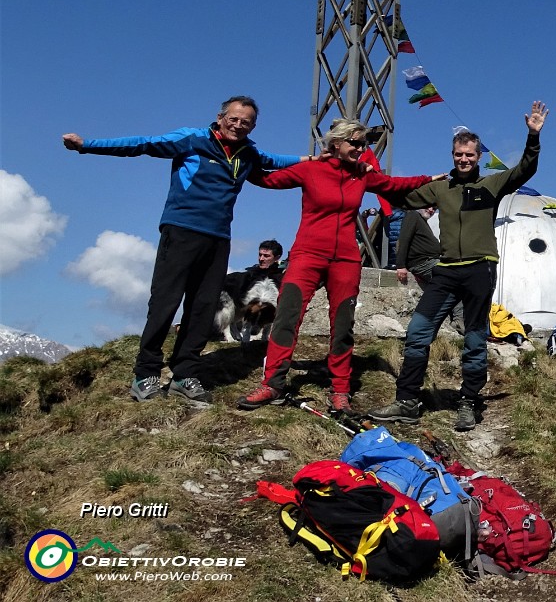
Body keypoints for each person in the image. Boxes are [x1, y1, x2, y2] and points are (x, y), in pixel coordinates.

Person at [61, 96, 307, 405]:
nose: (238, 125)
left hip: (219, 238)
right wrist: (88, 144)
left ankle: (184, 375)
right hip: (181, 231)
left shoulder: (248, 152)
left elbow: (275, 161)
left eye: (246, 122)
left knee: (203, 308)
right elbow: (143, 144)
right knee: (165, 302)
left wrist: (313, 159)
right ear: (220, 117)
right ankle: (145, 374)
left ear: (253, 126)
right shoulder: (192, 139)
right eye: (233, 118)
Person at [237, 118, 446, 413]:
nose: (362, 149)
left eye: (364, 144)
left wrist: (429, 179)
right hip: (307, 254)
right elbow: (266, 179)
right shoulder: (311, 170)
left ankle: (340, 390)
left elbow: (393, 185)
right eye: (356, 143)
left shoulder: (362, 175)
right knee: (287, 317)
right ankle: (273, 383)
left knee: (343, 325)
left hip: (346, 259)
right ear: (336, 143)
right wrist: (240, 158)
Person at [370, 101, 548, 432]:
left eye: (469, 155)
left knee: (475, 337)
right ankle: (407, 402)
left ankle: (468, 402)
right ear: (452, 155)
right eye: (458, 154)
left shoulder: (491, 185)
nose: (463, 160)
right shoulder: (440, 188)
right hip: (446, 270)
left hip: (480, 269)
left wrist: (532, 136)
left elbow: (525, 169)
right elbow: (402, 198)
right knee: (418, 332)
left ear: (479, 157)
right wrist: (369, 177)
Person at [395, 206, 440, 287]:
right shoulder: (413, 215)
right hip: (421, 263)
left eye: (434, 209)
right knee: (450, 274)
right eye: (429, 206)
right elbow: (404, 239)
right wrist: (400, 266)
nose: (431, 210)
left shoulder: (423, 221)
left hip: (430, 261)